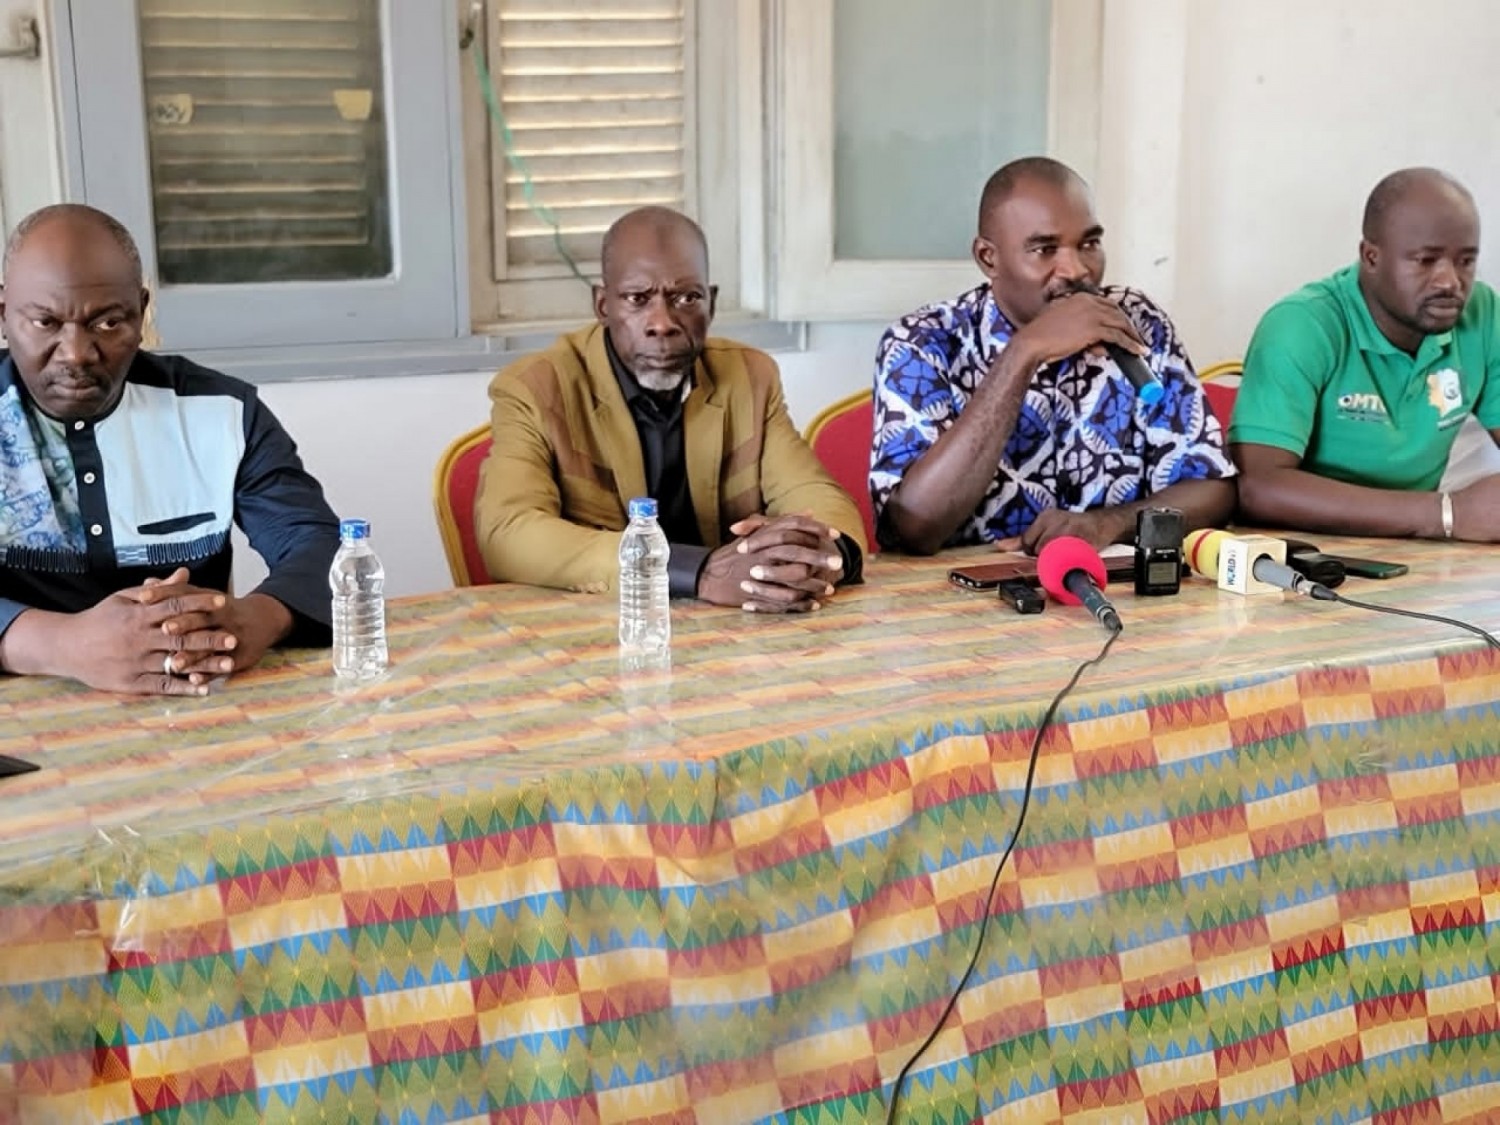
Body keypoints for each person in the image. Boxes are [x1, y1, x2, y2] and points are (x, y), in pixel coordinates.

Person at [0, 204, 340, 696]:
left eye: (107, 323)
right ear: (4, 314)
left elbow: (322, 546)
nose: (76, 353)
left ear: (141, 312)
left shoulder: (222, 413)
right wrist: (59, 643)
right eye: (45, 322)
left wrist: (258, 618)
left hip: (196, 703)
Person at [476, 206, 866, 611]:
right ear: (603, 305)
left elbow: (816, 495)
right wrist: (698, 572)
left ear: (711, 304)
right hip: (603, 625)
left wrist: (815, 554)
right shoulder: (535, 389)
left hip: (731, 626)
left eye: (686, 298)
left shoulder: (749, 376)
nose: (662, 322)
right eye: (637, 299)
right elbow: (508, 533)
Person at [870, 156, 1235, 556]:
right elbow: (913, 528)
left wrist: (1110, 524)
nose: (1076, 270)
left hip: (1113, 582)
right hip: (967, 589)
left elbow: (1212, 487)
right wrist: (1024, 352)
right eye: (1045, 249)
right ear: (988, 258)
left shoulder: (1137, 320)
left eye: (1089, 244)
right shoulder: (923, 342)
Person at [1231, 167, 1500, 541]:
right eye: (1426, 260)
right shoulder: (1303, 325)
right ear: (1370, 257)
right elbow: (1258, 488)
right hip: (1299, 551)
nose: (1450, 281)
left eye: (1465, 261)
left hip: (1419, 553)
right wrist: (1447, 513)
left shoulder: (1482, 314)